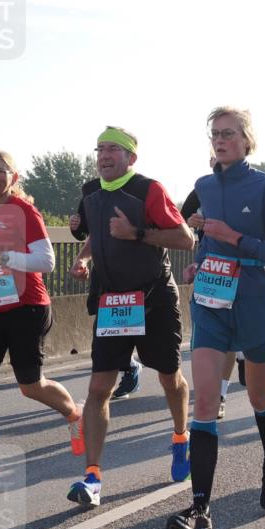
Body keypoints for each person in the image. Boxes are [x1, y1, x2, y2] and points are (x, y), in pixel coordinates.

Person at [166, 107, 265, 529]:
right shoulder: (203, 185)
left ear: (246, 140)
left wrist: (233, 238)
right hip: (211, 302)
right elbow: (206, 240)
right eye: (215, 134)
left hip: (257, 303)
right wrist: (199, 262)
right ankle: (200, 510)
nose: (220, 140)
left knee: (257, 393)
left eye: (229, 133)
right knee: (204, 402)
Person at [68, 127, 195, 506]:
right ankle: (92, 477)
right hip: (112, 303)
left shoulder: (148, 190)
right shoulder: (90, 192)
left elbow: (186, 238)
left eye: (113, 150)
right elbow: (99, 235)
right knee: (97, 388)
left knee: (170, 380)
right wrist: (84, 257)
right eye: (101, 149)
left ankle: (180, 438)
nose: (105, 155)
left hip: (154, 299)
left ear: (130, 158)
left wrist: (136, 233)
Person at [0, 150, 84, 496]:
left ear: (13, 176)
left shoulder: (24, 211)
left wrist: (4, 257)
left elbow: (47, 260)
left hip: (26, 307)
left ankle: (74, 414)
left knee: (30, 386)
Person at [181, 160, 241, 420]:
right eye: (215, 158)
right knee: (211, 333)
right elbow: (182, 219)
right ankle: (215, 396)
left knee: (233, 334)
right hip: (210, 266)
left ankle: (223, 391)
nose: (220, 163)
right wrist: (194, 221)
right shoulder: (203, 187)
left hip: (241, 266)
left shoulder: (253, 187)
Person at [70, 204, 141, 400]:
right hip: (104, 278)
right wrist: (75, 227)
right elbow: (87, 233)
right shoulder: (91, 196)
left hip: (137, 276)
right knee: (108, 330)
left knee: (128, 329)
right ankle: (129, 368)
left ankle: (129, 368)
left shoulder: (140, 191)